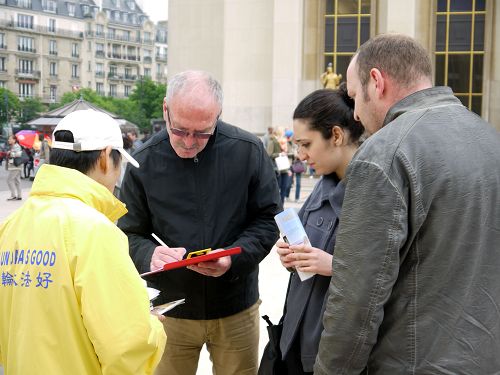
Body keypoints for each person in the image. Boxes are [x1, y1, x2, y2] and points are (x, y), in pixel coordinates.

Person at [315, 33, 500, 374]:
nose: (355, 114)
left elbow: (356, 301)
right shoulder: (489, 138)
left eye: (354, 97)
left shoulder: (384, 154)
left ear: (376, 82)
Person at [117, 70, 281, 375]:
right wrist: (148, 254)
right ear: (165, 109)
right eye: (180, 130)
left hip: (236, 306)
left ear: (218, 115)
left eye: (203, 132)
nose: (190, 142)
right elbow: (127, 232)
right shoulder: (144, 161)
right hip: (170, 311)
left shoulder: (247, 151)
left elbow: (268, 219)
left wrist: (234, 260)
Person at [0, 109, 166, 374]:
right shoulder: (95, 230)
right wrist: (152, 326)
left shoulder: (12, 225)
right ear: (104, 158)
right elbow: (127, 346)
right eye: (118, 164)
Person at [274, 84, 364, 375]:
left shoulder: (374, 192)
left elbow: (394, 273)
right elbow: (307, 253)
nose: (300, 154)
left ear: (336, 135)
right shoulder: (321, 186)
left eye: (306, 144)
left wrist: (335, 266)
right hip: (297, 339)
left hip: (336, 350)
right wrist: (290, 256)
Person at [5, 135, 22, 201]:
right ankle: (19, 195)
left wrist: (10, 153)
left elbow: (19, 154)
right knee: (17, 181)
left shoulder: (17, 146)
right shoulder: (13, 146)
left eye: (10, 139)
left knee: (9, 180)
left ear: (14, 140)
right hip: (15, 166)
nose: (8, 140)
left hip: (15, 166)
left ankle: (13, 195)